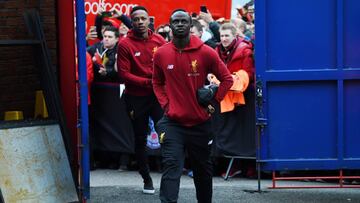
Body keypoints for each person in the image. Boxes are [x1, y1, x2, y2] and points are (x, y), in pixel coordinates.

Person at [152, 9, 233, 203]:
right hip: (173, 123)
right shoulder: (161, 53)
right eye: (176, 22)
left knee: (202, 172)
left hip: (200, 124)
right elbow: (156, 82)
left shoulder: (206, 52)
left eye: (184, 21)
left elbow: (227, 79)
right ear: (170, 26)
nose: (180, 25)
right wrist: (166, 105)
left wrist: (213, 103)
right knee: (171, 166)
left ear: (190, 25)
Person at [117, 5, 167, 194]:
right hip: (135, 98)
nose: (140, 22)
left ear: (149, 20)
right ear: (132, 21)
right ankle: (146, 178)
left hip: (157, 97)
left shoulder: (159, 40)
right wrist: (149, 82)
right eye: (136, 19)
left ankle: (169, 175)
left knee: (166, 134)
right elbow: (124, 75)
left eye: (143, 18)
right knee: (140, 138)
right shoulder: (124, 44)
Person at [209, 22, 256, 178]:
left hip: (243, 97)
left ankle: (246, 166)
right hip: (225, 96)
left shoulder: (245, 50)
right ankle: (224, 164)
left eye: (227, 35)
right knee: (225, 132)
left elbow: (248, 74)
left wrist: (232, 80)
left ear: (235, 36)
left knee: (242, 134)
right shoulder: (217, 50)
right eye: (221, 36)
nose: (223, 39)